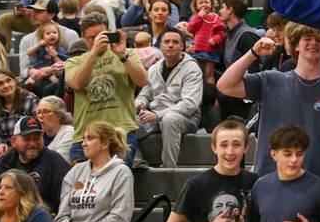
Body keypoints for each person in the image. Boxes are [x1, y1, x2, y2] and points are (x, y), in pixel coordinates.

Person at [217, 24, 320, 181]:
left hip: (315, 182)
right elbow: (225, 86)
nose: (313, 43)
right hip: (268, 178)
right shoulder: (271, 80)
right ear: (296, 45)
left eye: (319, 40)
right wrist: (253, 53)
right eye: (307, 39)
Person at [65, 12, 147, 166]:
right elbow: (76, 84)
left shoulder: (127, 54)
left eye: (101, 35)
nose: (97, 40)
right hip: (85, 136)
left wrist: (122, 55)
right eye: (91, 37)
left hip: (120, 132)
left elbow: (142, 81)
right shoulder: (74, 61)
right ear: (82, 37)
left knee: (116, 184)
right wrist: (93, 53)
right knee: (82, 189)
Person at [135, 28, 203, 168]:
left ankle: (168, 169)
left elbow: (190, 105)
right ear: (160, 46)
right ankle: (137, 163)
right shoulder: (154, 68)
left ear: (182, 46)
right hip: (155, 116)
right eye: (166, 41)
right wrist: (140, 103)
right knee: (127, 122)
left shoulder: (192, 69)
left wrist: (157, 115)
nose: (170, 45)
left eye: (175, 42)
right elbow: (145, 94)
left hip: (186, 118)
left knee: (169, 119)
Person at [0, 116, 70, 214]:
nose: (32, 143)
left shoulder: (55, 163)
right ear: (13, 141)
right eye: (27, 139)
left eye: (37, 138)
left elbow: (64, 204)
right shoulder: (3, 163)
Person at [186, 0, 226, 86]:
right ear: (196, 5)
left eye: (207, 2)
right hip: (198, 50)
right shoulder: (196, 17)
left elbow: (222, 34)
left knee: (209, 74)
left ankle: (211, 92)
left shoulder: (216, 18)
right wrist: (199, 16)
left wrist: (215, 40)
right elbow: (190, 28)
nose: (204, 5)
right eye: (200, 3)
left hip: (211, 51)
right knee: (198, 73)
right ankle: (199, 91)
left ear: (212, 3)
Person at [0, 71, 38, 159]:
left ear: (15, 81)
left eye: (8, 81)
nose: (6, 85)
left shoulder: (30, 100)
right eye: (0, 84)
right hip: (5, 152)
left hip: (28, 148)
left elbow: (39, 127)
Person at [36, 95, 74, 163]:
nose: (41, 116)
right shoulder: (39, 135)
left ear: (59, 115)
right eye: (38, 112)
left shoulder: (68, 133)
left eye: (46, 111)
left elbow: (57, 163)